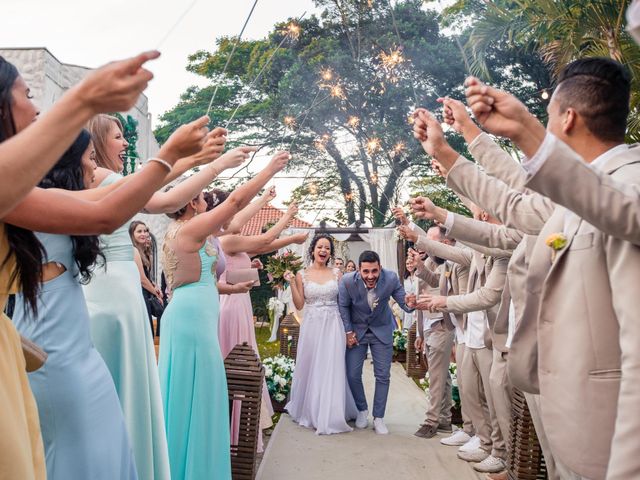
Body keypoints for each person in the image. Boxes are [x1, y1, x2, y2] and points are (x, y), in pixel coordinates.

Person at [83, 114, 250, 480]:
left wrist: (197, 159)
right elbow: (162, 195)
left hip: (120, 290)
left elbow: (154, 185)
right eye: (118, 137)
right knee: (120, 386)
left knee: (131, 388)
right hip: (112, 293)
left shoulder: (108, 180)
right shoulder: (100, 178)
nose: (126, 143)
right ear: (96, 142)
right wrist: (215, 163)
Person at [159, 151, 290, 480]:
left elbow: (201, 279)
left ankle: (183, 467)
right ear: (191, 203)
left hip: (190, 313)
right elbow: (233, 202)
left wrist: (231, 290)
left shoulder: (183, 230)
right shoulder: (191, 231)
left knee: (189, 396)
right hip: (193, 321)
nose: (206, 200)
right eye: (202, 197)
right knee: (200, 394)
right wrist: (268, 169)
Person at [0, 51, 158, 217]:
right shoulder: (14, 185)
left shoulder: (25, 184)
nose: (37, 109)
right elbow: (106, 215)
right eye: (27, 95)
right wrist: (86, 99)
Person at [218, 202, 308, 451]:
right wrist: (289, 221)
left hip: (239, 301)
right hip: (233, 304)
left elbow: (257, 250)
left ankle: (246, 419)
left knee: (246, 356)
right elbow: (265, 242)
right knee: (241, 359)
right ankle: (237, 422)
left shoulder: (230, 241)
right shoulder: (226, 240)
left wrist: (251, 267)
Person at [284, 234, 358, 434]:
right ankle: (311, 410)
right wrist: (291, 282)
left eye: (327, 248)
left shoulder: (337, 274)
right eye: (320, 247)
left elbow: (345, 303)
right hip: (312, 324)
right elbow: (299, 304)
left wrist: (348, 329)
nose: (323, 251)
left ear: (330, 253)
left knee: (332, 364)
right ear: (313, 250)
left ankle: (331, 412)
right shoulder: (302, 274)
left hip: (333, 323)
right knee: (313, 364)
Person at [338, 250, 416, 435]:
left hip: (381, 330)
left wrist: (410, 303)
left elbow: (403, 303)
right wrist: (348, 331)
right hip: (357, 332)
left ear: (380, 268)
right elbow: (343, 306)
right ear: (359, 270)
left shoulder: (390, 278)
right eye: (366, 272)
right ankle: (362, 409)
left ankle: (379, 417)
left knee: (383, 376)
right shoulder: (347, 281)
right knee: (352, 373)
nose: (371, 276)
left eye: (374, 271)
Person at [129, 220, 163, 335]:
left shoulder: (146, 251)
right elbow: (142, 279)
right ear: (132, 235)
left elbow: (148, 276)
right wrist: (156, 293)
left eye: (145, 231)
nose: (143, 234)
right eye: (139, 231)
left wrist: (155, 286)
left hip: (146, 293)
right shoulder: (134, 252)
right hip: (139, 294)